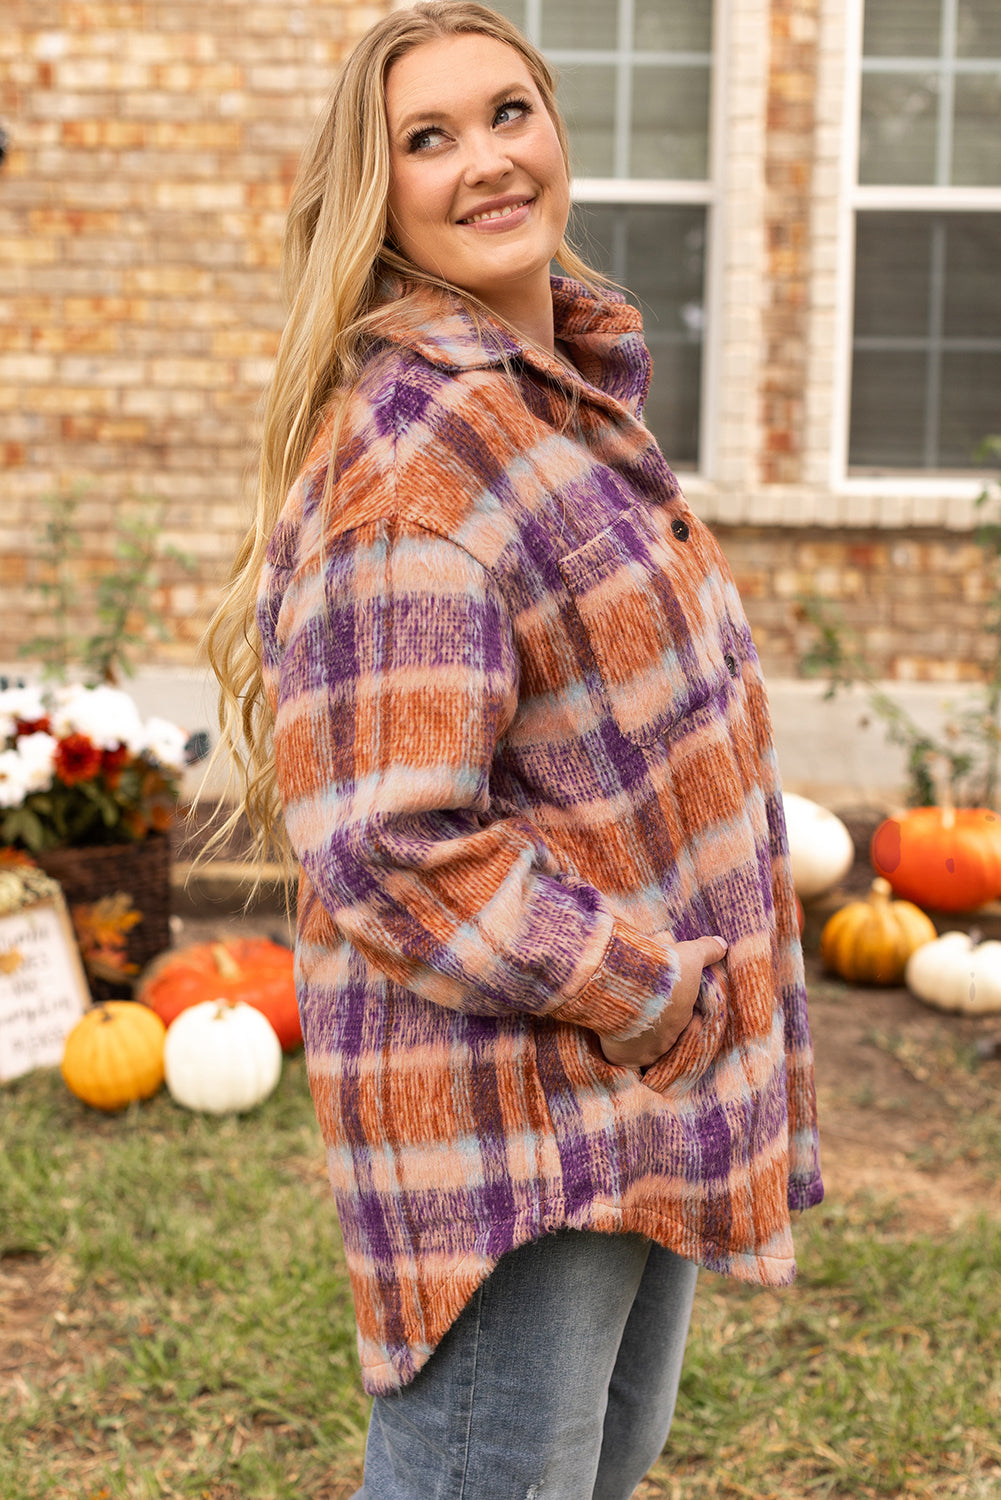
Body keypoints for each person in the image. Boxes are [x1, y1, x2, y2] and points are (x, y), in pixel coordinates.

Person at [206, 4, 823, 1496]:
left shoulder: (555, 401)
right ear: (381, 196)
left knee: (598, 1463)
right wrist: (642, 992)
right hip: (522, 1116)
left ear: (555, 129)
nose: (485, 160)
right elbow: (391, 841)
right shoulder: (420, 463)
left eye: (508, 113)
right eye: (428, 139)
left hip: (630, 1088)